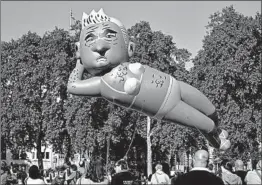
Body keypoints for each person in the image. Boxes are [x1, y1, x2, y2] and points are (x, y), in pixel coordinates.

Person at [67, 8, 231, 151]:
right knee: (206, 125)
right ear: (79, 50)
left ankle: (218, 130)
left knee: (210, 110)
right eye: (90, 40)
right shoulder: (102, 84)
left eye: (109, 36)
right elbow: (73, 86)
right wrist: (79, 61)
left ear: (130, 48)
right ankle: (216, 142)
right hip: (167, 106)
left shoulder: (122, 66)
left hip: (175, 85)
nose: (100, 47)